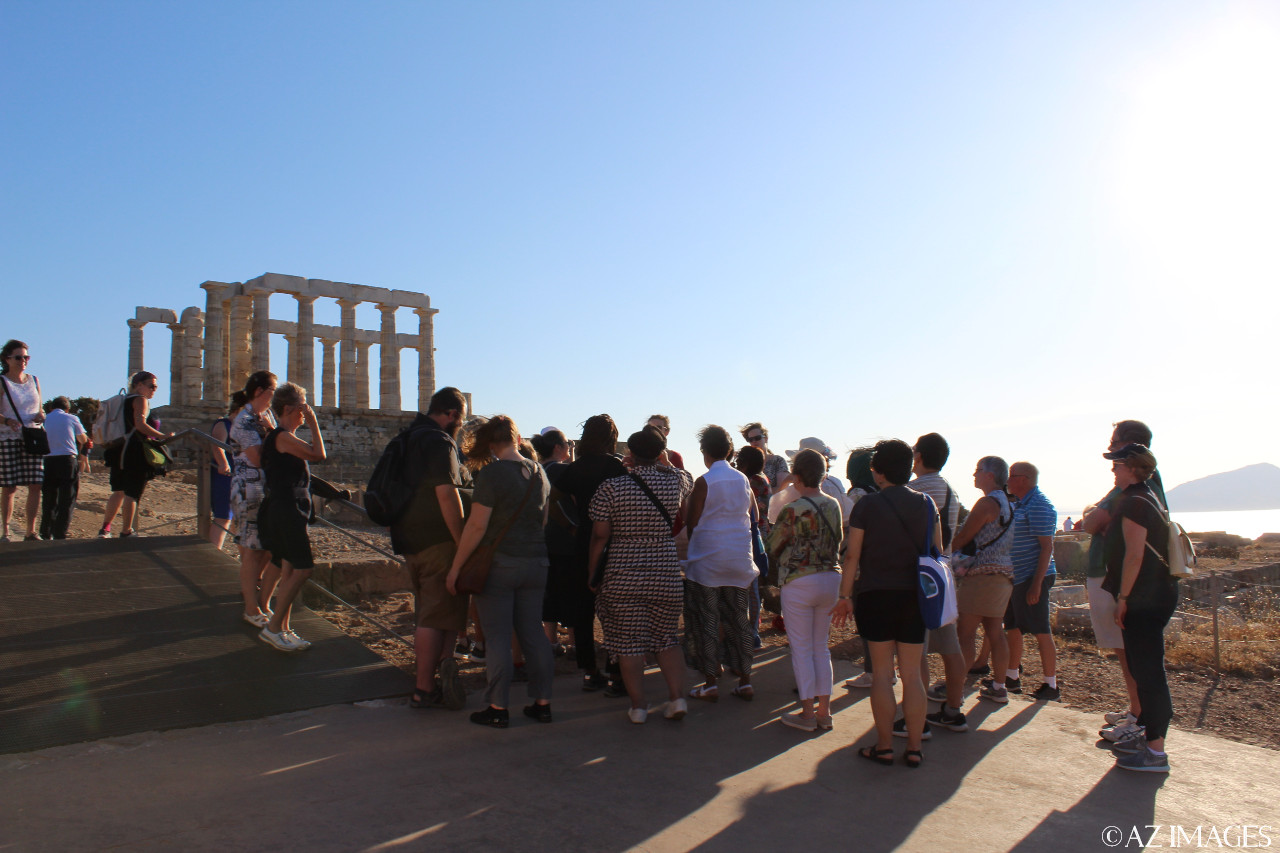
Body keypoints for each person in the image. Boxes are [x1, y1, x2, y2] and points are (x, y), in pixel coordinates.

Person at [833, 439, 940, 767]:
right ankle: (914, 748)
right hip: (914, 597)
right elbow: (937, 552)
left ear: (878, 471)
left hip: (875, 595)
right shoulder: (926, 504)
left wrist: (844, 596)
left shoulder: (867, 506)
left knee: (881, 675)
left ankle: (882, 746)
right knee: (913, 675)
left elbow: (852, 555)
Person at [446, 416, 554, 728]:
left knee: (497, 638)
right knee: (533, 633)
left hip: (501, 565)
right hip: (536, 563)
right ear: (518, 439)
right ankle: (542, 703)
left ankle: (498, 707)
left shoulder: (492, 474)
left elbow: (477, 526)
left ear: (491, 445)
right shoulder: (540, 474)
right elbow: (543, 521)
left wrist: (456, 568)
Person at [587, 426, 694, 724]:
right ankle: (677, 698)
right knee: (666, 639)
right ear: (661, 453)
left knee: (628, 642)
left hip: (623, 570)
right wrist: (664, 460)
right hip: (665, 570)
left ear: (629, 454)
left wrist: (592, 570)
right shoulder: (677, 481)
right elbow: (682, 476)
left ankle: (639, 707)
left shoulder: (612, 488)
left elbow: (600, 535)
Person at [390, 387, 471, 712]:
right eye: (460, 420)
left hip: (409, 538)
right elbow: (447, 495)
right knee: (433, 617)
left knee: (432, 612)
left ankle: (440, 673)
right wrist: (462, 540)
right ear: (451, 414)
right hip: (438, 540)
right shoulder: (439, 441)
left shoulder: (405, 438)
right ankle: (423, 689)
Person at [1082, 420, 1164, 741]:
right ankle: (1136, 709)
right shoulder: (1139, 483)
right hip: (1117, 577)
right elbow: (1096, 518)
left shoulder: (1130, 487)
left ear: (1129, 449)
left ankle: (1140, 717)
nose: (1109, 446)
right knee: (1125, 648)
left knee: (1129, 649)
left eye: (1113, 442)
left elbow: (1091, 522)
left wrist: (1096, 514)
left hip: (1117, 578)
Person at [1100, 443, 1176, 773]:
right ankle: (1149, 737)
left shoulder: (1134, 502)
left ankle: (1155, 751)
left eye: (1117, 465)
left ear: (1132, 467)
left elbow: (1134, 555)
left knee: (1148, 673)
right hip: (1156, 594)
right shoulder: (1149, 496)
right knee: (1147, 670)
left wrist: (1123, 599)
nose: (1113, 470)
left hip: (1144, 598)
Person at [766, 448, 842, 732]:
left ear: (797, 476)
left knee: (801, 649)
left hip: (799, 580)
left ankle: (807, 713)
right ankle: (825, 711)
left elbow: (773, 546)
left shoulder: (793, 509)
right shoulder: (833, 504)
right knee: (821, 647)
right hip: (830, 578)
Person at [553, 414, 628, 693]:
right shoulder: (616, 466)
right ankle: (617, 670)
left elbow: (553, 499)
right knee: (615, 611)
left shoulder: (576, 467)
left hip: (582, 539)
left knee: (583, 612)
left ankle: (589, 671)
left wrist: (571, 525)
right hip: (613, 542)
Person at [683, 425, 757, 702]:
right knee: (740, 619)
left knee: (708, 621)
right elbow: (750, 514)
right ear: (730, 451)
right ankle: (746, 680)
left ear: (704, 453)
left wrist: (696, 546)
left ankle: (711, 682)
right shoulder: (743, 479)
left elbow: (693, 521)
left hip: (709, 561)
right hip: (739, 558)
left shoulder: (704, 481)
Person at [903, 433, 968, 735]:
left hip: (919, 578)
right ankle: (954, 710)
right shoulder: (950, 491)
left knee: (916, 651)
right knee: (949, 647)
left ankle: (915, 718)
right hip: (943, 574)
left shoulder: (914, 490)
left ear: (918, 456)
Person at [256, 383, 326, 652]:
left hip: (285, 509)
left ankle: (282, 628)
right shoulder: (282, 437)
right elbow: (319, 454)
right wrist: (314, 423)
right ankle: (273, 628)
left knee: (287, 568)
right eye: (302, 408)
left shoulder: (281, 437)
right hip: (286, 510)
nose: (305, 412)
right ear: (288, 409)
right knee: (303, 569)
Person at [951, 456, 1015, 704]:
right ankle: (1000, 686)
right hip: (1003, 575)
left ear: (990, 475)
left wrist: (943, 552)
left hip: (981, 576)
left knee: (965, 633)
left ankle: (955, 686)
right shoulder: (1008, 503)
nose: (974, 475)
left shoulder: (987, 504)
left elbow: (965, 536)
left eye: (978, 470)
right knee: (995, 632)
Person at [225, 371, 279, 628]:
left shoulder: (265, 416)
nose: (274, 396)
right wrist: (274, 438)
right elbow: (258, 458)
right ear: (259, 391)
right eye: (272, 390)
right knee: (252, 549)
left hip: (265, 487)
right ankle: (251, 608)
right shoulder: (245, 420)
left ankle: (260, 600)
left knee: (267, 547)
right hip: (249, 488)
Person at [1005, 461, 1059, 701]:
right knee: (1013, 626)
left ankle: (1051, 685)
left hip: (1032, 576)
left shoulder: (1038, 505)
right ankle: (1012, 676)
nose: (1008, 480)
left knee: (1040, 630)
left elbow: (1047, 547)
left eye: (1012, 475)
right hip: (1018, 577)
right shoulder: (1021, 504)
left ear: (1024, 479)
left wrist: (1036, 584)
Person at [99, 371, 172, 539]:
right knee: (132, 493)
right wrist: (162, 436)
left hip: (118, 449)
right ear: (139, 385)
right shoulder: (140, 400)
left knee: (118, 491)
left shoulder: (123, 400)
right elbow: (140, 423)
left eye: (156, 387)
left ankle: (105, 529)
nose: (154, 390)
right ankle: (126, 531)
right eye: (151, 386)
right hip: (135, 452)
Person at [842, 446, 890, 690]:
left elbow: (847, 531)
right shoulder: (881, 491)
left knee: (867, 624)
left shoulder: (857, 495)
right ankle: (885, 670)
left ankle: (873, 672)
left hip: (861, 568)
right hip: (882, 564)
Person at [0, 339, 44, 542]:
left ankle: (30, 531)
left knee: (35, 484)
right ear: (7, 359)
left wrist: (41, 415)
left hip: (33, 436)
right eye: (18, 357)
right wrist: (7, 420)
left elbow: (40, 408)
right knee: (9, 486)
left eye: (26, 357)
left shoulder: (34, 380)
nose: (23, 361)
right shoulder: (2, 382)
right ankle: (6, 531)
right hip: (8, 437)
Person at [39, 397, 88, 540]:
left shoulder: (45, 419)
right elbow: (82, 439)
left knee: (49, 497)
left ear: (51, 408)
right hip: (67, 459)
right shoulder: (72, 418)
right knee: (67, 498)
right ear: (67, 409)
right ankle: (60, 532)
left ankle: (45, 531)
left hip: (48, 460)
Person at [207, 411, 234, 550]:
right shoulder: (223, 424)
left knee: (238, 522)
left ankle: (246, 562)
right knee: (223, 517)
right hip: (226, 476)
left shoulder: (247, 427)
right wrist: (223, 463)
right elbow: (217, 445)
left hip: (240, 477)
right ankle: (212, 557)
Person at [740, 422, 789, 490]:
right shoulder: (747, 464)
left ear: (766, 438)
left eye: (757, 438)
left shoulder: (778, 461)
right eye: (750, 440)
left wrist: (763, 495)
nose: (754, 441)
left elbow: (782, 488)